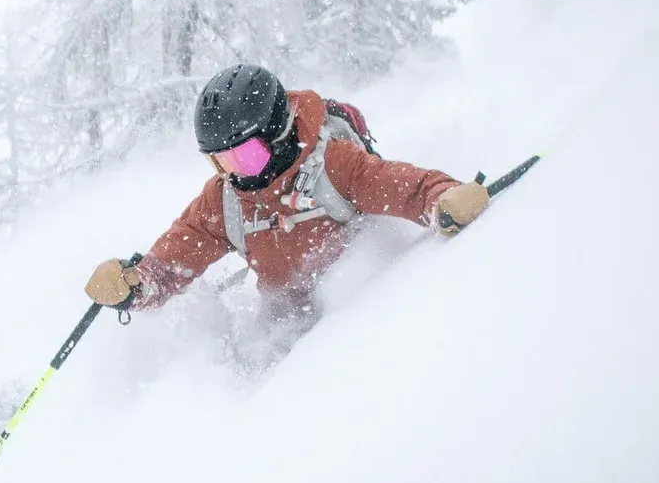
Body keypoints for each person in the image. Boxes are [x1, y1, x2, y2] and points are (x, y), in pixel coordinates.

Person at [85, 64, 489, 323]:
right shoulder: (226, 199)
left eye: (244, 156)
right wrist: (133, 286)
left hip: (356, 316)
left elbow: (406, 188)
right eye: (220, 162)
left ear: (278, 133)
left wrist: (444, 199)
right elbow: (170, 268)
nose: (234, 173)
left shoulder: (333, 165)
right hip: (283, 330)